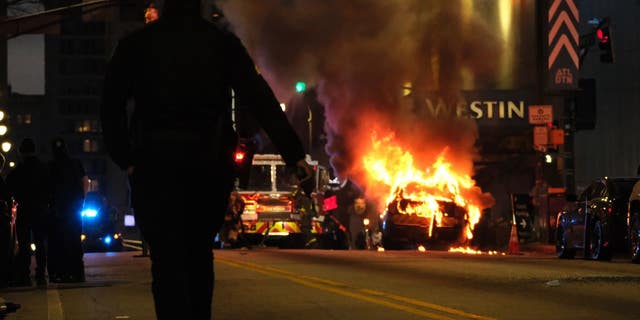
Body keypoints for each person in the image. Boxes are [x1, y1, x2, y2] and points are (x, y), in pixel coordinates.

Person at [99, 1, 313, 319]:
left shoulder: (136, 45)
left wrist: (126, 158)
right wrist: (294, 155)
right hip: (207, 167)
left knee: (166, 262)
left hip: (155, 168)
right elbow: (260, 99)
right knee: (199, 256)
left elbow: (110, 105)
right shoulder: (221, 44)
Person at [5, 138, 51, 287]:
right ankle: (40, 274)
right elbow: (51, 189)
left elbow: (7, 191)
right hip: (40, 210)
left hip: (24, 211)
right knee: (40, 244)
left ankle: (24, 275)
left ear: (21, 152)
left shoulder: (18, 171)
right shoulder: (44, 169)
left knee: (24, 244)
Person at [48, 137, 89, 283]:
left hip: (59, 210)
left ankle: (64, 273)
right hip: (75, 207)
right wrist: (82, 200)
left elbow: (49, 188)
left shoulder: (52, 166)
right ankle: (78, 273)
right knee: (75, 240)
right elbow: (85, 182)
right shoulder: (76, 163)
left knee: (60, 241)